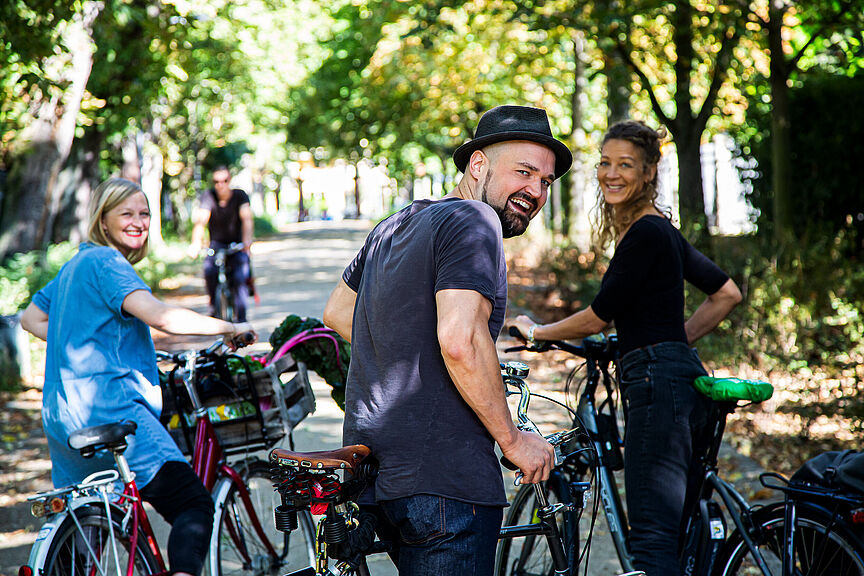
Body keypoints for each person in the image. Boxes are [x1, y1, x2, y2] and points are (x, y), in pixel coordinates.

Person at [322, 105, 569, 576]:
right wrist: (513, 439)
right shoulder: (476, 220)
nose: (535, 191)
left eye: (545, 182)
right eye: (524, 172)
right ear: (478, 164)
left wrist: (411, 348)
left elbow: (338, 312)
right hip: (445, 482)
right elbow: (460, 340)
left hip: (377, 476)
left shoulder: (393, 226)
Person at [509, 120, 743, 576]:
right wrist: (675, 340)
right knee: (675, 534)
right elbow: (727, 293)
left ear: (650, 171)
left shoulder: (646, 233)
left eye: (626, 165)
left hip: (657, 386)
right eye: (604, 163)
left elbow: (600, 315)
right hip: (682, 379)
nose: (610, 174)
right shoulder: (661, 230)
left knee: (652, 541)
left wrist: (538, 331)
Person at [20, 178, 256, 576]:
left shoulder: (76, 264)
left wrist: (81, 338)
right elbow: (160, 316)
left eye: (144, 213)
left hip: (63, 416)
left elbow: (31, 317)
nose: (138, 221)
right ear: (104, 221)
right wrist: (228, 328)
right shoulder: (108, 263)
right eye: (125, 214)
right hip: (111, 410)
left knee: (90, 527)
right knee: (192, 504)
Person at [190, 165, 254, 321]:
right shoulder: (208, 196)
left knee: (239, 279)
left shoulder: (240, 196)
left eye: (224, 181)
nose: (220, 185)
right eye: (216, 181)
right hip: (216, 245)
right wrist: (195, 243)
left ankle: (242, 319)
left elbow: (247, 219)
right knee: (209, 271)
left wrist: (247, 242)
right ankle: (214, 307)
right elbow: (201, 222)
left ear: (229, 180)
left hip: (236, 245)